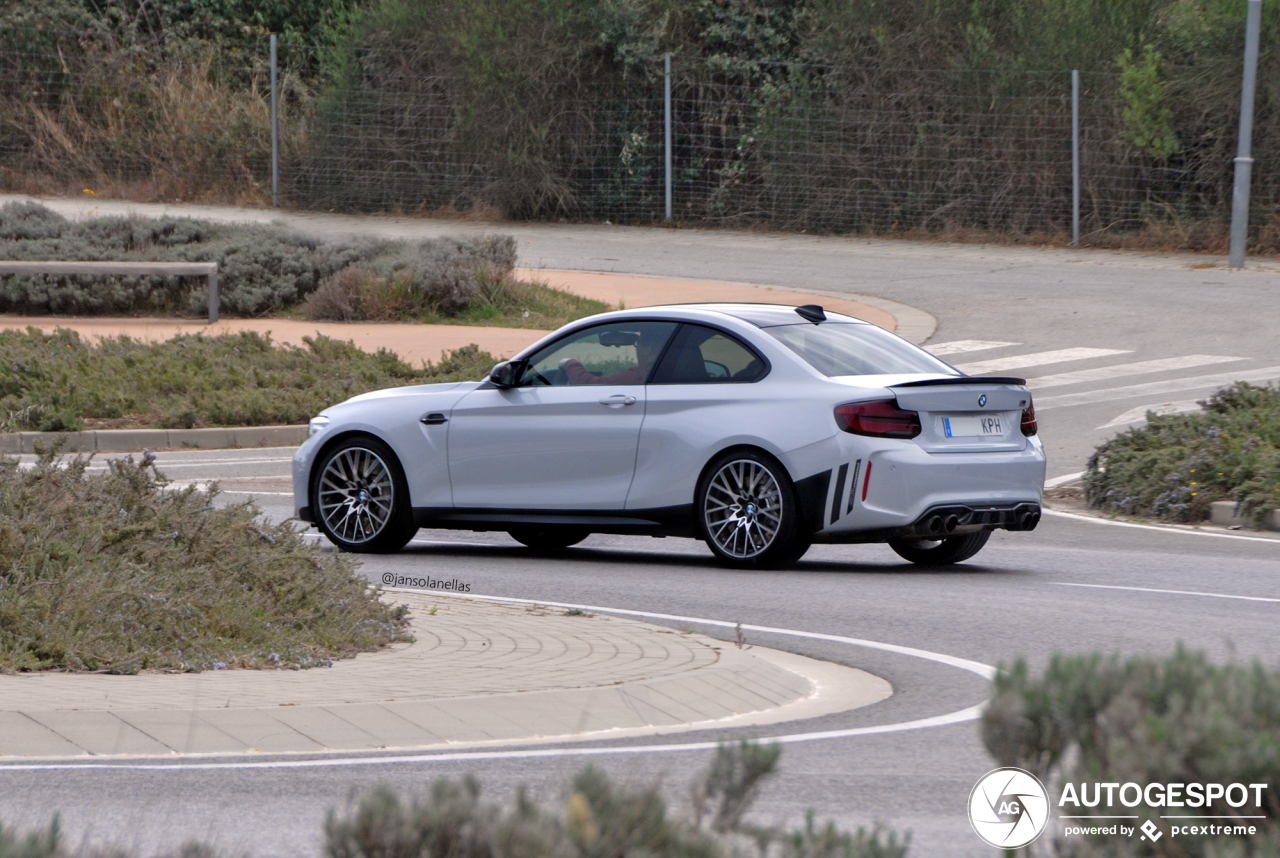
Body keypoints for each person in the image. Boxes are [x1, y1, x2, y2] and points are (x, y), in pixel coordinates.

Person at [560, 333, 662, 385]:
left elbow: (589, 385)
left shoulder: (638, 376)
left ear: (647, 350)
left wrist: (570, 363)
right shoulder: (668, 373)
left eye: (637, 344)